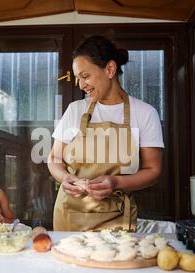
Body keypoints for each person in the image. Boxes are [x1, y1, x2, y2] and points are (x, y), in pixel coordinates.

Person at [48, 35, 164, 232]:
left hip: (117, 219)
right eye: (78, 79)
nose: (81, 85)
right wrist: (65, 178)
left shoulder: (144, 113)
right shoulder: (75, 110)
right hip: (70, 215)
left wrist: (117, 182)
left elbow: (153, 170)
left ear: (110, 69)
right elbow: (54, 158)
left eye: (85, 76)